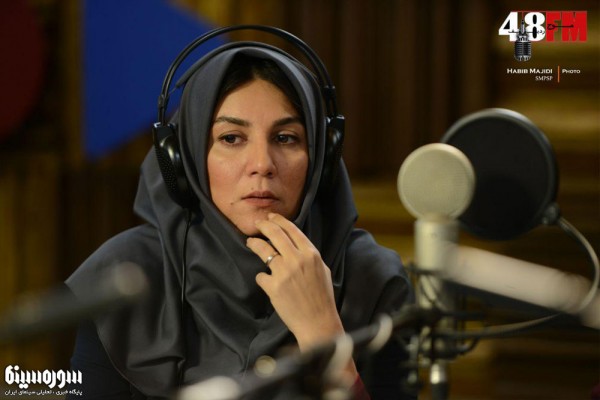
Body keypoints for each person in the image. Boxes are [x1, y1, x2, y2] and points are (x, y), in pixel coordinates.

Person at [66, 30, 416, 400]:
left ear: (321, 160)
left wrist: (324, 335)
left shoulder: (374, 281)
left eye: (286, 138)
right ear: (184, 160)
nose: (262, 164)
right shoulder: (121, 280)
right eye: (231, 138)